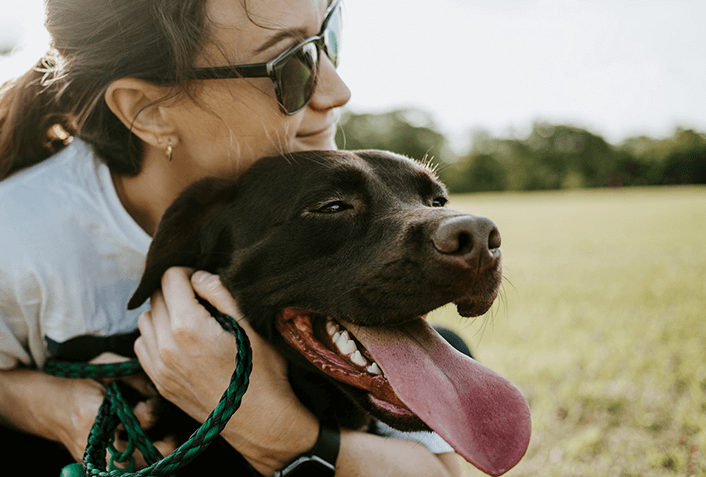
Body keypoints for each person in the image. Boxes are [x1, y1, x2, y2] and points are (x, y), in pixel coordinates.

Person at [0, 0, 463, 475]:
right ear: (149, 111)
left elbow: (442, 471)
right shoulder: (17, 234)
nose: (338, 90)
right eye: (291, 64)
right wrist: (58, 407)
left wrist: (274, 428)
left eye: (329, 37)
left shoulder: (312, 173)